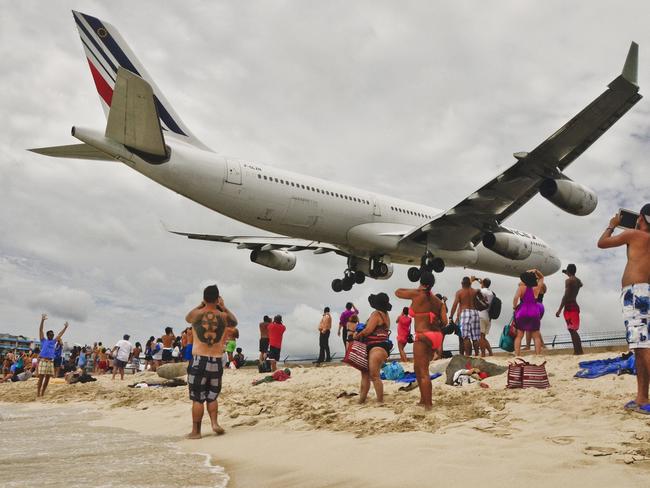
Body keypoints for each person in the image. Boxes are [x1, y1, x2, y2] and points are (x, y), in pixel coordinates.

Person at [598, 207, 650, 414]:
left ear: (641, 218)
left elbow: (602, 243)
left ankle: (644, 397)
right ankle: (642, 397)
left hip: (635, 293)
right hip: (646, 292)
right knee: (640, 347)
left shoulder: (633, 234)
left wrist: (612, 224)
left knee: (643, 347)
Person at [185, 284, 238, 439]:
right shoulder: (223, 316)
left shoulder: (196, 315)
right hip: (216, 360)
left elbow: (187, 317)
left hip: (198, 360)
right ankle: (214, 423)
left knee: (197, 398)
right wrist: (224, 307)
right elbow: (234, 322)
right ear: (217, 298)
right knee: (212, 396)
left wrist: (200, 305)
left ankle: (196, 432)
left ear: (204, 298)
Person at [396, 273, 447, 409]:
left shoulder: (418, 294)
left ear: (421, 282)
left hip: (423, 335)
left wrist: (417, 289)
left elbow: (397, 292)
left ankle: (428, 404)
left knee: (422, 371)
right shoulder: (438, 301)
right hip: (436, 336)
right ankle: (423, 399)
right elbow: (445, 322)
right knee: (417, 369)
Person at [353, 293, 393, 404]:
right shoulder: (386, 315)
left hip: (376, 347)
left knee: (373, 376)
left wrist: (356, 337)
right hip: (382, 347)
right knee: (368, 374)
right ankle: (362, 400)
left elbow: (368, 330)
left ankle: (379, 401)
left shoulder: (376, 314)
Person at [513, 269, 545, 356]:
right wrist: (537, 271)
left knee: (519, 335)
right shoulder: (536, 288)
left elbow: (516, 298)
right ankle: (538, 354)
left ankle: (517, 355)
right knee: (536, 336)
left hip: (522, 312)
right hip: (534, 312)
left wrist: (514, 306)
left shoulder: (521, 288)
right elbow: (542, 277)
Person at [36, 314, 69, 398]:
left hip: (50, 361)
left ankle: (42, 393)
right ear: (48, 335)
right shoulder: (43, 340)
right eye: (51, 334)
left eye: (53, 334)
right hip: (43, 360)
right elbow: (40, 330)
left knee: (47, 378)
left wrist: (65, 327)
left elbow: (60, 334)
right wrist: (42, 320)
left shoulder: (54, 341)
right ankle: (38, 393)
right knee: (41, 378)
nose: (52, 335)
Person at [555, 263, 584, 355]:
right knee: (573, 329)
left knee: (572, 330)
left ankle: (577, 351)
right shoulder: (578, 281)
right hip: (575, 306)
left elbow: (566, 296)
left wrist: (559, 309)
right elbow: (580, 284)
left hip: (569, 307)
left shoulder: (568, 281)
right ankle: (579, 351)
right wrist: (567, 272)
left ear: (568, 271)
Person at [450, 277, 481, 356]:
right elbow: (483, 300)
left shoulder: (459, 292)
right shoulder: (475, 291)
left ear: (462, 283)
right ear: (470, 283)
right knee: (475, 337)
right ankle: (477, 354)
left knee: (466, 337)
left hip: (465, 313)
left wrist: (451, 316)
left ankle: (468, 355)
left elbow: (455, 305)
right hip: (475, 312)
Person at [472, 276, 494, 357]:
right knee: (483, 337)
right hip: (488, 316)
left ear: (483, 284)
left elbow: (471, 291)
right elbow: (484, 287)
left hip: (481, 315)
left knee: (480, 336)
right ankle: (491, 353)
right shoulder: (491, 293)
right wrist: (480, 282)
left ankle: (483, 354)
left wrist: (471, 281)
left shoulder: (480, 291)